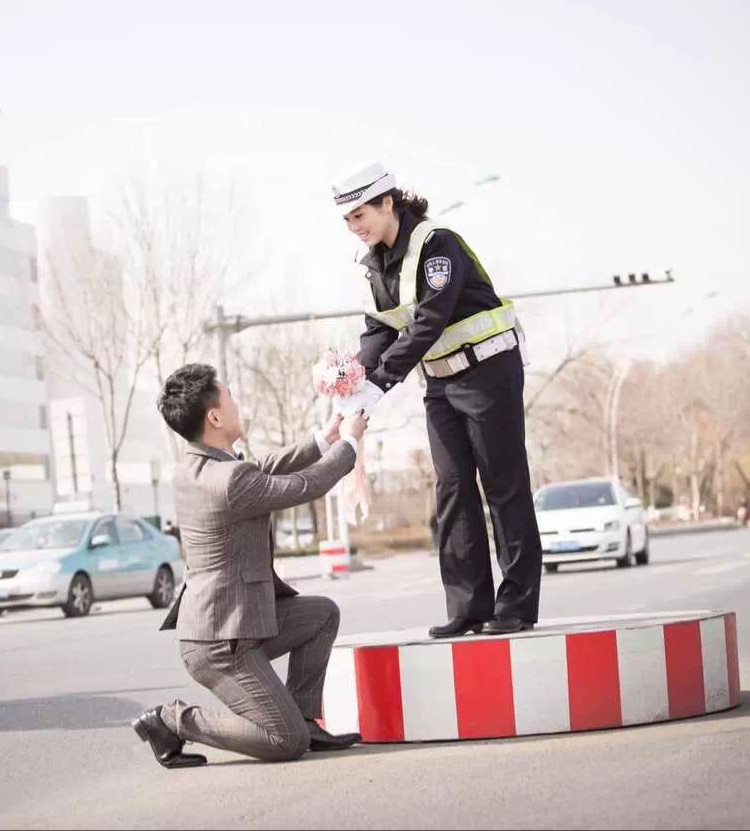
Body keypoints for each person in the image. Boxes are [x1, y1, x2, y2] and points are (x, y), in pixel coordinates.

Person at [331, 162, 543, 638]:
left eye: (359, 215)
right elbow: (380, 328)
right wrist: (353, 379)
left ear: (388, 202)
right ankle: (468, 607)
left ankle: (516, 606)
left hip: (488, 370)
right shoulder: (374, 264)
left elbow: (428, 321)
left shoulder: (435, 244)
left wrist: (380, 383)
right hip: (441, 383)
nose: (354, 228)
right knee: (451, 490)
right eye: (347, 221)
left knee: (502, 485)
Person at [131, 363, 367, 769]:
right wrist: (348, 446)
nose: (239, 404)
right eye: (231, 397)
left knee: (320, 614)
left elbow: (263, 469)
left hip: (242, 622)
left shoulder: (200, 466)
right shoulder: (227, 480)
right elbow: (303, 486)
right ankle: (173, 721)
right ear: (215, 416)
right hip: (221, 644)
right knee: (283, 740)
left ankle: (304, 719)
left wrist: (323, 439)